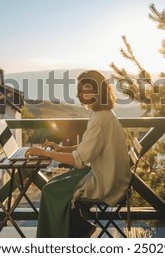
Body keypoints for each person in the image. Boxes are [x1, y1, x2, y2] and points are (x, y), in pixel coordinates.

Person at [26, 70, 131, 237]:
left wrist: (43, 153)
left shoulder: (100, 119)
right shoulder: (102, 114)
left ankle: (57, 238)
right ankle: (78, 227)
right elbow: (88, 147)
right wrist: (61, 149)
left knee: (49, 190)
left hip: (107, 182)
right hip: (109, 175)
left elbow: (79, 160)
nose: (78, 95)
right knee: (56, 182)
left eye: (82, 91)